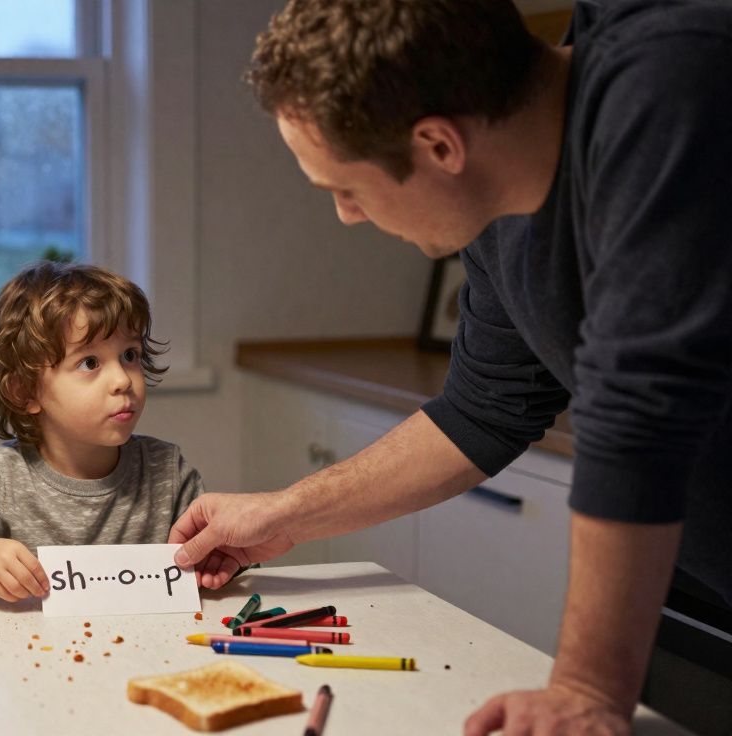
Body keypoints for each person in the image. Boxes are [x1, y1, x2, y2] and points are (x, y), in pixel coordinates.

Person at [169, 0, 732, 734]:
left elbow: (639, 410)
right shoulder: (501, 211)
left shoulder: (672, 84)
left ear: (438, 145)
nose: (346, 214)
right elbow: (482, 411)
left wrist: (586, 688)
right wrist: (284, 513)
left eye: (345, 188)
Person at [0, 261, 205, 602]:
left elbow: (224, 566)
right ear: (25, 392)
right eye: (90, 362)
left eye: (129, 355)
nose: (122, 380)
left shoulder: (167, 472)